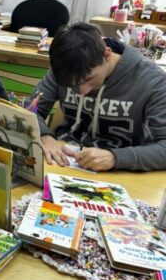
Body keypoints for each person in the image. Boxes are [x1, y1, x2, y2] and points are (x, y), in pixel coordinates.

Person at [32, 22, 166, 172]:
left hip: (123, 170)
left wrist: (116, 158)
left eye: (88, 79)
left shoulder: (153, 80)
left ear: (107, 55)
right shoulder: (65, 67)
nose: (82, 91)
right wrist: (44, 136)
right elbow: (30, 110)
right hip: (64, 160)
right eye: (72, 85)